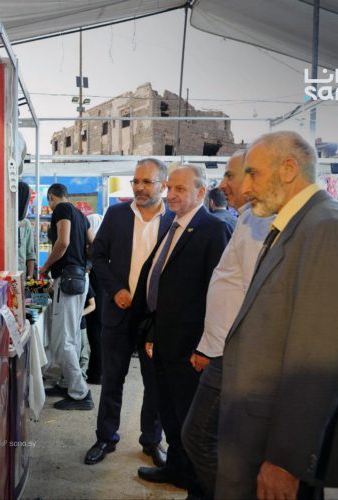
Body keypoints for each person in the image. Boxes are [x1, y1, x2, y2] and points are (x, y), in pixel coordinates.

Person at [216, 131, 338, 499]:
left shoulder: (329, 228)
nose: (245, 187)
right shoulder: (303, 224)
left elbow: (320, 359)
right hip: (259, 428)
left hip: (276, 442)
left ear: (289, 169)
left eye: (253, 173)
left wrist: (286, 460)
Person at [180, 149, 274, 499]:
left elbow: (251, 299)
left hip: (231, 355)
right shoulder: (247, 219)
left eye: (230, 176)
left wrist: (213, 349)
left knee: (199, 437)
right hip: (224, 351)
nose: (223, 184)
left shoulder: (258, 223)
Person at [136, 165, 231, 498]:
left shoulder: (214, 229)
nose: (171, 195)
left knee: (191, 419)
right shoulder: (173, 224)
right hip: (164, 339)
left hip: (191, 346)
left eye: (180, 189)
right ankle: (176, 468)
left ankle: (195, 483)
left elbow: (219, 294)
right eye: (170, 188)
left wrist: (206, 347)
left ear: (201, 193)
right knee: (170, 411)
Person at [85, 158, 174, 466]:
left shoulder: (174, 220)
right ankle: (105, 436)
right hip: (118, 312)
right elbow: (98, 257)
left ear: (163, 185)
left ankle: (152, 440)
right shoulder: (117, 214)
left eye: (147, 182)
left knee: (155, 383)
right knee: (112, 379)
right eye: (136, 181)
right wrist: (115, 290)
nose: (139, 187)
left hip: (155, 318)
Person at [40, 183, 95, 410]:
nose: (50, 205)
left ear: (51, 197)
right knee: (70, 336)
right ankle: (66, 383)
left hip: (68, 279)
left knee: (64, 340)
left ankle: (80, 394)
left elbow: (62, 242)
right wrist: (84, 264)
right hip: (80, 278)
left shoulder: (61, 209)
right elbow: (94, 245)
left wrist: (45, 267)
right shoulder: (81, 215)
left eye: (49, 201)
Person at [85, 212, 104, 384]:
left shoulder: (95, 252)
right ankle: (98, 372)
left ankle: (96, 373)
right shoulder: (105, 249)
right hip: (103, 304)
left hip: (96, 303)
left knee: (95, 335)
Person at [18, 181, 37, 279]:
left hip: (21, 276)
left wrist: (29, 278)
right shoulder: (1, 222)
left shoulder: (26, 224)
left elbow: (30, 254)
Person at [79, 284, 96, 380]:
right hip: (65, 323)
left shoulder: (85, 283)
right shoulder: (60, 281)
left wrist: (80, 314)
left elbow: (93, 305)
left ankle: (82, 377)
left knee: (83, 354)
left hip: (80, 324)